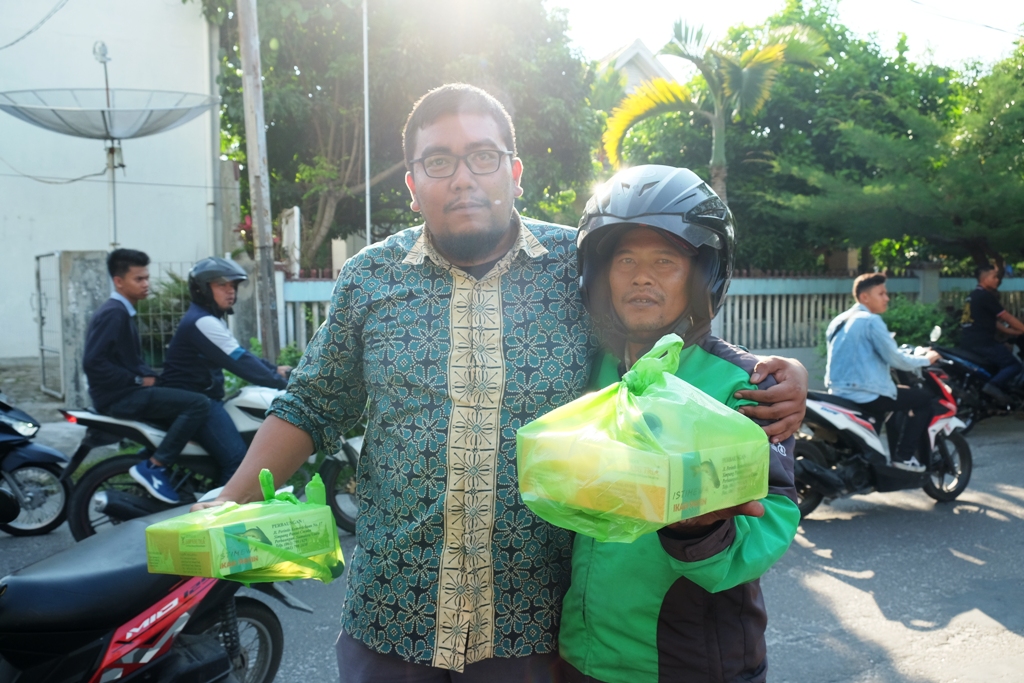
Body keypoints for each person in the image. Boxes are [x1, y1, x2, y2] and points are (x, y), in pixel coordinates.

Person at [194, 84, 807, 682]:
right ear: (412, 184)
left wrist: (778, 375)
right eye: (438, 161)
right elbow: (313, 403)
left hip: (530, 627)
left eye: (483, 157)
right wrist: (232, 499)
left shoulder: (580, 264)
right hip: (392, 615)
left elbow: (660, 340)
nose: (463, 178)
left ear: (514, 172)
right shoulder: (371, 277)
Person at [558, 165, 800, 683]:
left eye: (664, 261)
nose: (641, 277)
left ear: (703, 275)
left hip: (689, 663)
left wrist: (704, 529)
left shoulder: (747, 386)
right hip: (581, 657)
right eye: (625, 260)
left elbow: (772, 518)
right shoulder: (587, 373)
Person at [82, 248, 210, 504]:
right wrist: (138, 380)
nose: (146, 284)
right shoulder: (114, 313)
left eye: (147, 278)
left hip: (125, 392)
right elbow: (93, 363)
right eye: (138, 279)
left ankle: (152, 457)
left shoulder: (121, 311)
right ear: (119, 281)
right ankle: (154, 466)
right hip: (120, 397)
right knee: (198, 404)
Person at [158, 257, 290, 484]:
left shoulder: (207, 319)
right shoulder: (202, 322)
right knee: (238, 462)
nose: (230, 292)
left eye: (233, 286)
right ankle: (220, 516)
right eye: (222, 285)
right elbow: (239, 362)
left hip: (200, 398)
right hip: (198, 401)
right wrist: (282, 383)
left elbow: (238, 353)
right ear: (202, 289)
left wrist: (274, 370)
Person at [825, 273, 942, 472]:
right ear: (865, 298)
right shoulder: (871, 320)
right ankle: (904, 458)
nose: (887, 298)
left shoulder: (838, 321)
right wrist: (926, 359)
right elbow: (895, 358)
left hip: (837, 392)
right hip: (866, 392)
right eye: (882, 293)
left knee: (896, 399)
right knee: (923, 399)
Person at [959, 263, 1024, 403]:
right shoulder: (985, 296)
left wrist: (1011, 331)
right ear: (985, 278)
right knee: (1013, 365)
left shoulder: (972, 296)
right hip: (983, 343)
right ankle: (992, 387)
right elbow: (1006, 316)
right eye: (994, 277)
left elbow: (991, 321)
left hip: (968, 342)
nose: (997, 280)